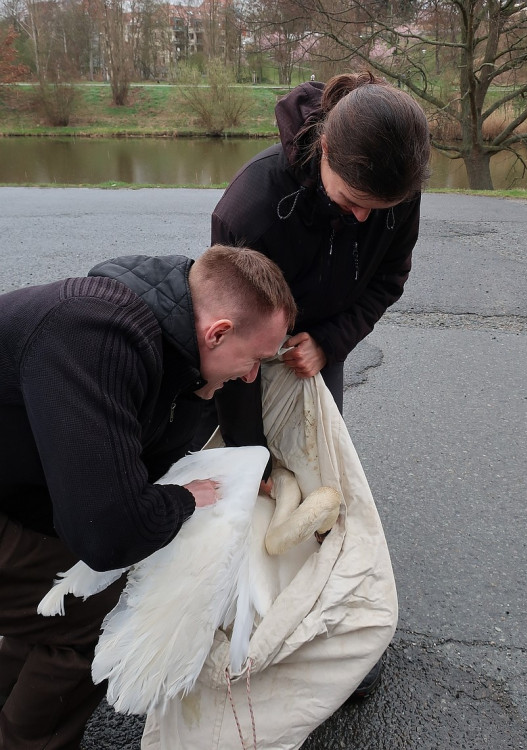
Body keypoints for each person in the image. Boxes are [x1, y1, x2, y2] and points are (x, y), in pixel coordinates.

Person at [0, 245, 297, 750]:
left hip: (20, 490)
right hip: (15, 503)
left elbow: (138, 463)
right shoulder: (95, 336)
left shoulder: (164, 331)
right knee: (98, 603)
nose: (252, 377)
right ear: (218, 332)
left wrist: (199, 400)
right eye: (256, 361)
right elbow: (108, 533)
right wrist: (181, 501)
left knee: (59, 588)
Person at [205, 71, 431, 698]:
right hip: (246, 349)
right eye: (353, 201)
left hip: (316, 347)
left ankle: (326, 626)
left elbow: (387, 282)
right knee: (249, 476)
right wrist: (253, 447)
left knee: (322, 484)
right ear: (325, 150)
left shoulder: (394, 189)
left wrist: (329, 340)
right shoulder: (249, 208)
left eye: (377, 210)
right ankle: (236, 620)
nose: (364, 217)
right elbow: (226, 335)